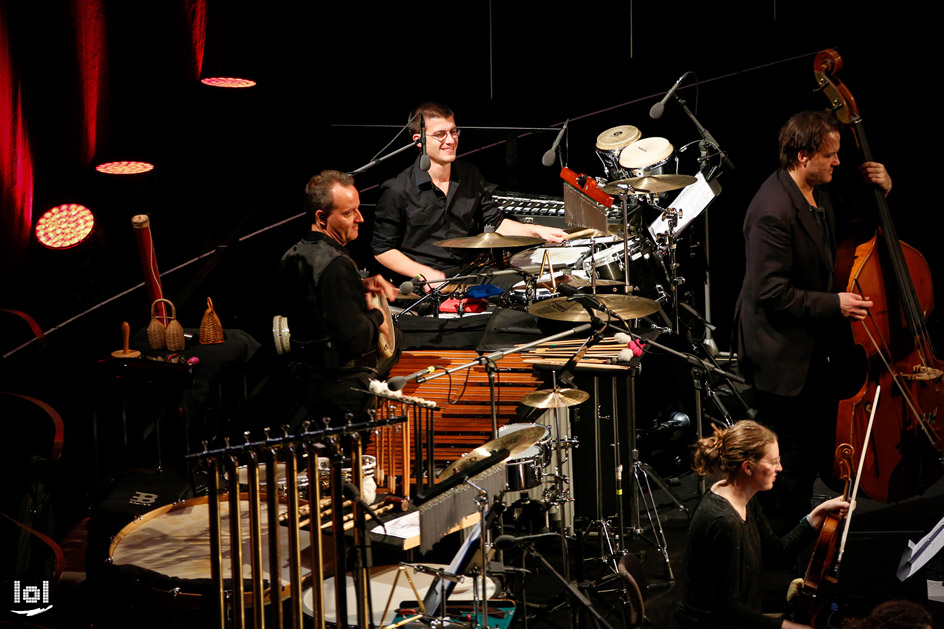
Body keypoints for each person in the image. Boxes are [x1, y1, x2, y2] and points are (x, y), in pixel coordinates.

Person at [735, 110, 891, 532]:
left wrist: (881, 189)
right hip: (778, 352)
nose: (837, 163)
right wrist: (833, 304)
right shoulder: (771, 210)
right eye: (830, 155)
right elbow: (769, 292)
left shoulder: (816, 192)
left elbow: (843, 225)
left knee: (810, 449)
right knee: (786, 457)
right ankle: (780, 544)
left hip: (808, 347)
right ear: (803, 156)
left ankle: (801, 532)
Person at [676, 420, 852, 629]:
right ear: (748, 467)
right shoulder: (724, 522)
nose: (780, 467)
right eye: (774, 461)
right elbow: (727, 609)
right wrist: (787, 627)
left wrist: (818, 513)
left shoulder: (744, 497)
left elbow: (778, 551)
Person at [371, 102, 567, 286]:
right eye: (440, 134)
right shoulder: (397, 189)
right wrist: (424, 273)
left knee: (529, 287)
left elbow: (496, 223)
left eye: (453, 131)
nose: (451, 140)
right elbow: (383, 250)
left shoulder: (469, 175)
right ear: (419, 141)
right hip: (425, 281)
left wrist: (537, 231)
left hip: (470, 273)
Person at [280, 170, 400, 425]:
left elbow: (317, 303)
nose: (360, 218)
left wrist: (360, 286)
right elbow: (354, 340)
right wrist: (378, 314)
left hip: (306, 383)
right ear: (321, 218)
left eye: (357, 209)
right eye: (348, 213)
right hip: (343, 389)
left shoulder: (294, 254)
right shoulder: (336, 264)